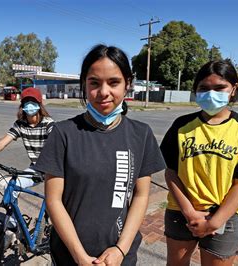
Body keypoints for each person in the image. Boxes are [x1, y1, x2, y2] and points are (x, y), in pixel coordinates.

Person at [34, 44, 166, 265]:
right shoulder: (63, 133)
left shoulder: (141, 134)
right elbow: (54, 200)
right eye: (94, 83)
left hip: (120, 255)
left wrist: (120, 250)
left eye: (114, 82)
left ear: (128, 84)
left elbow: (141, 196)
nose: (104, 92)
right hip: (70, 255)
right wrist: (80, 257)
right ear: (84, 85)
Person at [160, 60, 238, 265]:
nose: (211, 93)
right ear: (196, 90)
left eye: (220, 87)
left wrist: (214, 222)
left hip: (224, 218)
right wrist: (189, 212)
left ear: (233, 89)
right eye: (204, 88)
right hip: (181, 213)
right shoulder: (182, 125)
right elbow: (170, 172)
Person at [0, 87, 54, 189]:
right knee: (12, 186)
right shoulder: (20, 124)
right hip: (37, 168)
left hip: (53, 169)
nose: (30, 105)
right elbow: (3, 143)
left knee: (52, 201)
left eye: (33, 101)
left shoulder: (48, 123)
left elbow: (58, 146)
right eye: (26, 102)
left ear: (39, 104)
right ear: (22, 105)